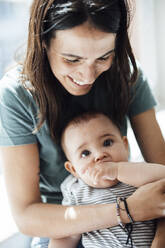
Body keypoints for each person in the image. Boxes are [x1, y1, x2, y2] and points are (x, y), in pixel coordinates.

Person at [0, 0, 165, 248]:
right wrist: (128, 210)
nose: (87, 77)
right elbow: (27, 215)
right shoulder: (16, 95)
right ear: (43, 42)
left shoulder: (125, 75)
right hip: (62, 223)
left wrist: (159, 240)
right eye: (72, 59)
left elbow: (162, 179)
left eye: (103, 57)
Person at [49, 111, 165, 248]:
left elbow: (162, 176)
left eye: (107, 142)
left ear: (125, 145)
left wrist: (117, 170)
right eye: (85, 153)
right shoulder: (75, 189)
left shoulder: (137, 172)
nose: (99, 155)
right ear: (73, 169)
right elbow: (67, 234)